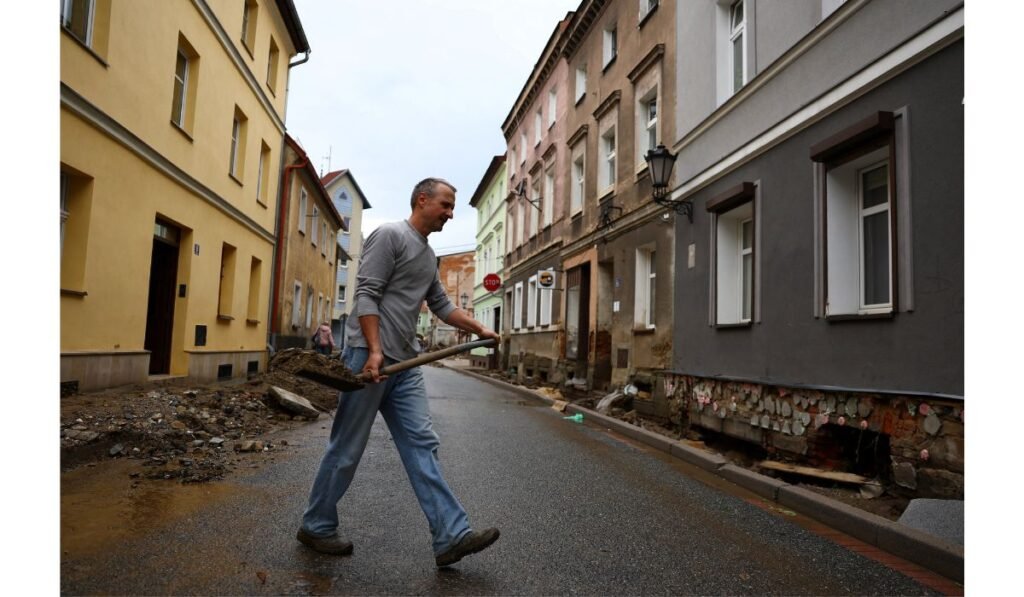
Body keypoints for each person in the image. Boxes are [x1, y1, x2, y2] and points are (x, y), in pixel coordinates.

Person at [297, 177, 501, 568]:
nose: (450, 213)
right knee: (347, 447)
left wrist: (478, 328)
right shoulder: (389, 235)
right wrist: (373, 350)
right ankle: (316, 524)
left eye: (452, 206)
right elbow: (366, 294)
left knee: (422, 443)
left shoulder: (428, 255)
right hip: (367, 358)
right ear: (421, 200)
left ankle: (450, 535)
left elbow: (440, 305)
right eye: (445, 204)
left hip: (405, 364)